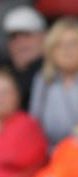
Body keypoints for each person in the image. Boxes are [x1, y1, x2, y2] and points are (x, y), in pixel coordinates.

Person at [29, 17, 78, 149]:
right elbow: (35, 122)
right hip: (51, 153)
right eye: (59, 44)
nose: (66, 50)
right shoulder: (43, 80)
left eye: (73, 43)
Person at [2, 6, 48, 109]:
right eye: (13, 36)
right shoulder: (0, 70)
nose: (20, 42)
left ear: (44, 37)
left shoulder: (56, 70)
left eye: (27, 35)